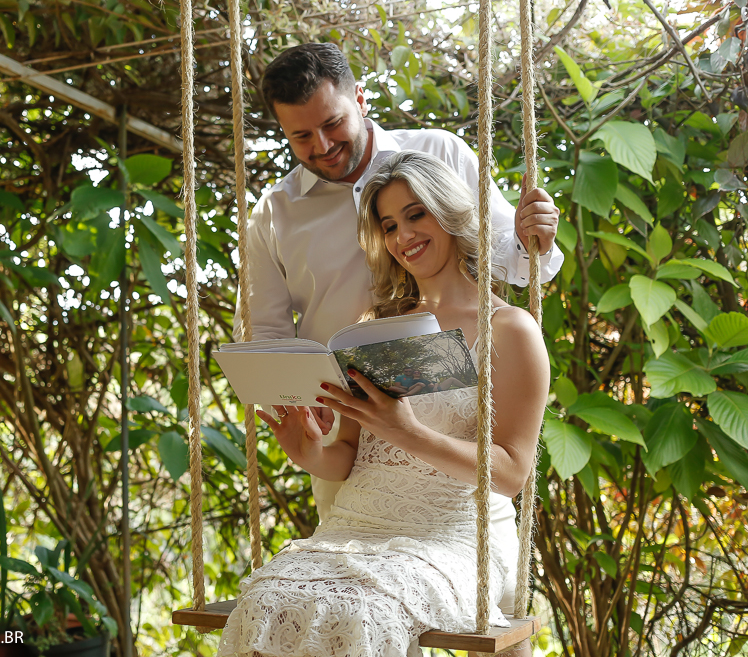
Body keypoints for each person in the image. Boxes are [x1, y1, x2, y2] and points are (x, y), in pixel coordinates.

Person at [240, 42, 563, 615]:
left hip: (454, 513)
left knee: (362, 610)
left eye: (332, 124)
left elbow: (511, 257)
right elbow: (267, 337)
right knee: (296, 605)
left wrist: (536, 237)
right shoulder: (274, 213)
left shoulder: (439, 153)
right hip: (350, 443)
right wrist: (301, 422)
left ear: (360, 100)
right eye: (301, 136)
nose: (322, 146)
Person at [217, 150, 550, 657]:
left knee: (360, 612)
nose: (403, 236)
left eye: (416, 214)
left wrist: (409, 433)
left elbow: (510, 474)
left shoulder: (507, 328)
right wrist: (308, 452)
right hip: (354, 527)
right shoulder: (373, 328)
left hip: (452, 534)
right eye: (389, 225)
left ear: (449, 212)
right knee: (267, 599)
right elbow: (349, 456)